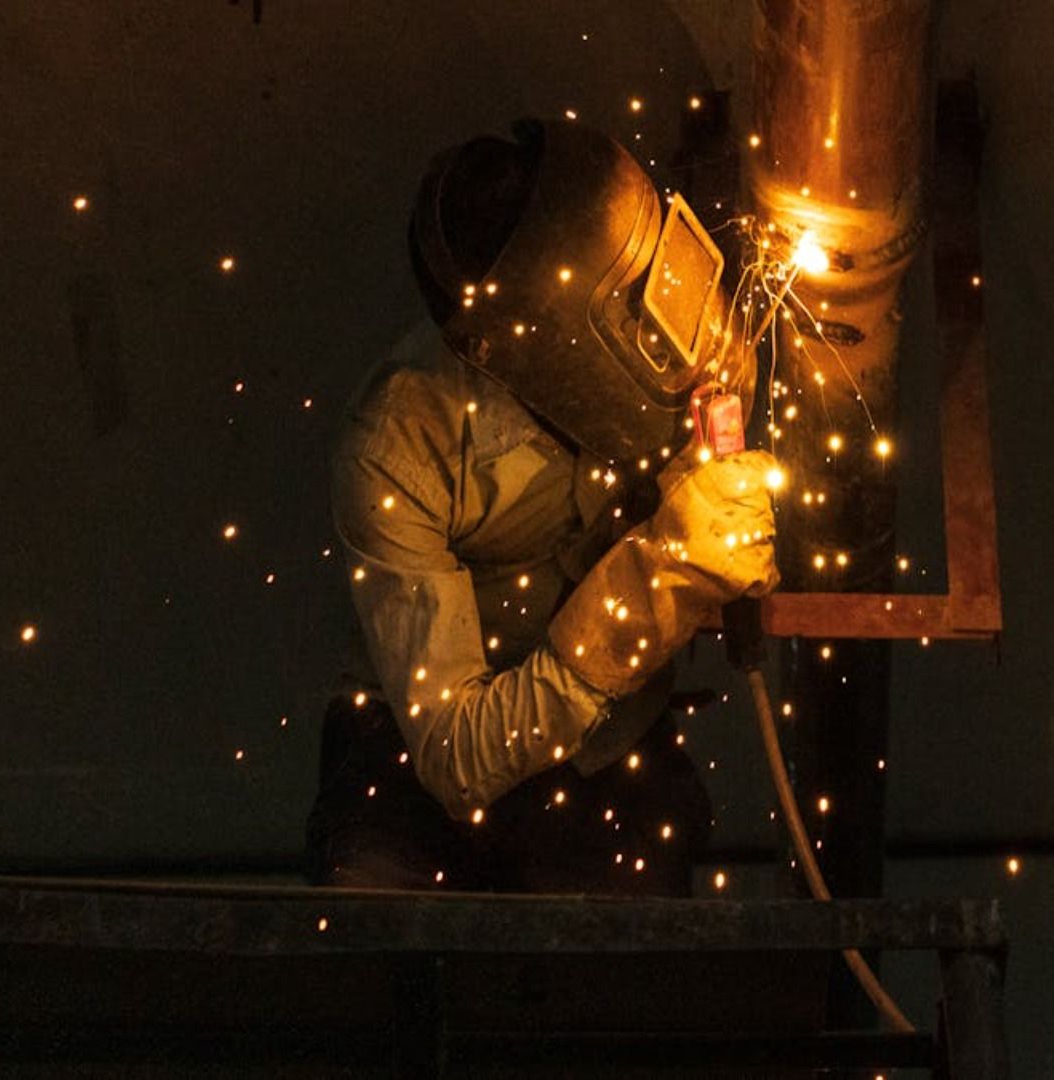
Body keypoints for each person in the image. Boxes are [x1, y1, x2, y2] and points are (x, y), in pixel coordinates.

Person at [304, 119, 779, 896]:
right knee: (369, 947)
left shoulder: (646, 303)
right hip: (410, 774)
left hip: (606, 751)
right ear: (537, 338)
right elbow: (456, 756)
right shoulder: (396, 445)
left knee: (624, 983)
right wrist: (659, 584)